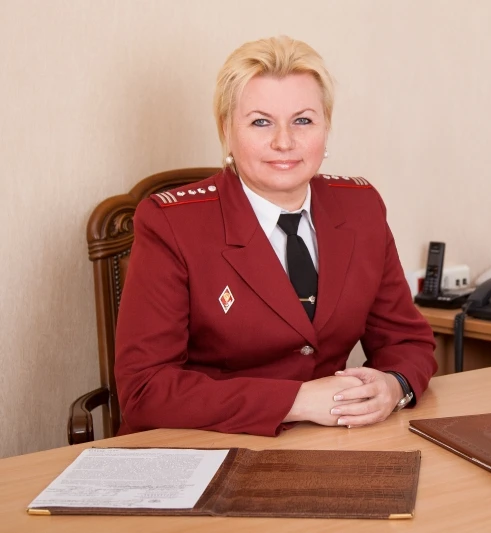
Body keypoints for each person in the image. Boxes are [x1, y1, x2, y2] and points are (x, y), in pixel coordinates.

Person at [114, 35, 438, 437]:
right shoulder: (171, 224)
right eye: (260, 122)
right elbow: (144, 390)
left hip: (328, 443)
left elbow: (407, 341)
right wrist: (296, 400)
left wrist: (394, 386)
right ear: (226, 130)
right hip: (205, 447)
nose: (284, 142)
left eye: (303, 121)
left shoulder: (361, 208)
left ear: (326, 127)